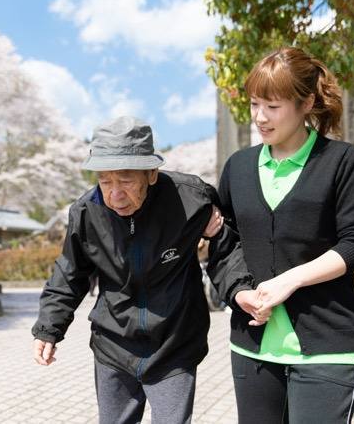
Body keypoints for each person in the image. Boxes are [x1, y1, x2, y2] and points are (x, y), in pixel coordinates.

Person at [211, 47, 354, 423]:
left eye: (273, 106)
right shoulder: (238, 167)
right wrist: (238, 291)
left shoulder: (341, 161)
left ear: (306, 103)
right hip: (252, 348)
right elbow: (224, 243)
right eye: (255, 104)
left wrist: (289, 281)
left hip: (326, 346)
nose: (260, 117)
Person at [31, 115, 236, 424]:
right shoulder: (86, 213)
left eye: (126, 180)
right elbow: (69, 274)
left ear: (151, 173)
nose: (114, 194)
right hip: (113, 344)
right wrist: (49, 328)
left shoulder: (191, 199)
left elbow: (228, 248)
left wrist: (239, 287)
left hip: (174, 345)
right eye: (105, 180)